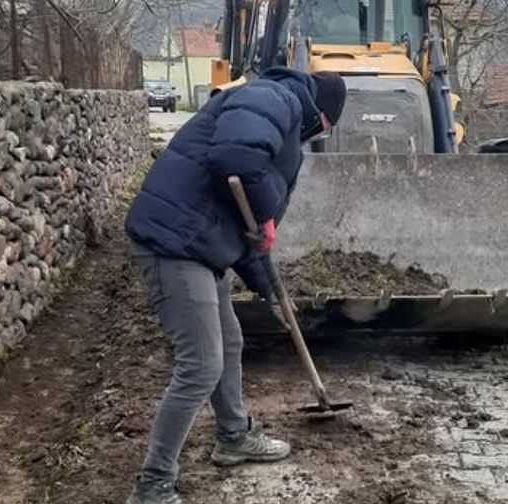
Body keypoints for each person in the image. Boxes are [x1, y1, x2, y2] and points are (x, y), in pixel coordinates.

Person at [123, 67, 347, 504]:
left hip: (203, 245)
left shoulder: (281, 128)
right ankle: (152, 486)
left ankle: (233, 436)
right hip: (175, 242)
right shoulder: (275, 98)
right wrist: (265, 217)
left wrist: (271, 293)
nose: (314, 136)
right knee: (201, 364)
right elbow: (236, 159)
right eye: (322, 129)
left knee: (228, 343)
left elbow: (248, 235)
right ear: (320, 114)